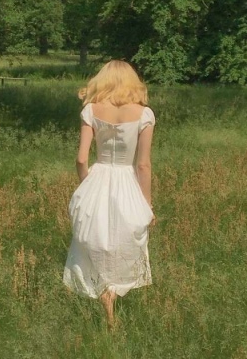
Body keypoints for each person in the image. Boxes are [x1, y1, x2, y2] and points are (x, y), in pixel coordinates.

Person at [63, 60, 156, 329]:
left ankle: (100, 289)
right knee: (122, 238)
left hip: (99, 176)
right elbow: (143, 165)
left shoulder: (91, 110)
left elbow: (81, 159)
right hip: (126, 179)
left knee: (95, 237)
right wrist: (147, 204)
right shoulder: (144, 114)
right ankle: (113, 291)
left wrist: (86, 186)